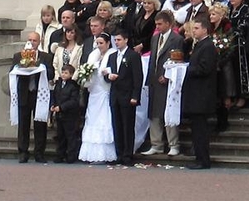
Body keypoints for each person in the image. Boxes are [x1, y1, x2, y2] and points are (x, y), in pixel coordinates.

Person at [142, 11, 184, 156]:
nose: (158, 27)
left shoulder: (177, 39)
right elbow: (153, 59)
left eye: (160, 24)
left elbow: (178, 60)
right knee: (154, 113)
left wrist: (167, 76)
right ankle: (156, 144)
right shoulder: (154, 39)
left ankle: (174, 144)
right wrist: (148, 80)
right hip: (154, 80)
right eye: (156, 24)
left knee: (168, 112)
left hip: (168, 82)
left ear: (168, 23)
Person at [11, 32, 55, 163]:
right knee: (23, 125)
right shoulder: (18, 56)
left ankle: (39, 152)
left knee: (40, 125)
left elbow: (51, 74)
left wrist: (41, 68)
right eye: (29, 40)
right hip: (24, 94)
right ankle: (23, 152)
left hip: (39, 94)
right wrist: (23, 67)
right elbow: (12, 72)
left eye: (34, 40)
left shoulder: (46, 57)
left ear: (39, 41)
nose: (32, 42)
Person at [182, 18, 218, 170]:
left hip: (202, 95)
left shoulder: (208, 46)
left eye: (196, 28)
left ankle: (203, 160)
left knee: (201, 130)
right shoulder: (198, 45)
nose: (194, 30)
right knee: (197, 129)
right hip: (196, 94)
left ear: (205, 29)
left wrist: (186, 68)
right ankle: (199, 158)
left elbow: (205, 68)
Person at [106, 30, 143, 166]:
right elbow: (107, 73)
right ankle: (119, 153)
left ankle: (128, 154)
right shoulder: (112, 56)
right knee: (117, 126)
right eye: (115, 40)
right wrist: (108, 76)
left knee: (128, 126)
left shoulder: (133, 56)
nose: (117, 42)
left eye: (119, 40)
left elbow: (138, 77)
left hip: (127, 96)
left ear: (126, 40)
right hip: (115, 95)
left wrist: (135, 96)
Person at [78, 33, 118, 163]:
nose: (99, 46)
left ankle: (105, 154)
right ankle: (92, 154)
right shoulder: (93, 55)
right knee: (92, 119)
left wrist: (106, 72)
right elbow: (87, 69)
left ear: (108, 43)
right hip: (94, 91)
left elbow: (113, 71)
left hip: (105, 90)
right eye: (97, 43)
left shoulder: (112, 54)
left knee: (104, 120)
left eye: (101, 43)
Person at [209, 3, 236, 133]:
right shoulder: (210, 28)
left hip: (224, 64)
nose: (211, 16)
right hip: (213, 65)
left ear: (221, 15)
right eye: (211, 14)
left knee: (224, 92)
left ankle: (224, 121)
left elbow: (231, 46)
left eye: (214, 14)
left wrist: (221, 60)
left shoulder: (227, 27)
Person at [51, 64, 81, 164]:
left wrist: (62, 107)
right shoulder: (58, 84)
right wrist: (53, 105)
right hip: (59, 115)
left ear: (71, 75)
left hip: (70, 115)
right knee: (60, 136)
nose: (63, 75)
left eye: (66, 73)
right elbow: (54, 95)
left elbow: (74, 101)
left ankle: (71, 156)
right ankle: (60, 155)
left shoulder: (73, 86)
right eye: (63, 72)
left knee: (70, 136)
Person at [229, 0, 249, 111]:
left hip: (241, 45)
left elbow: (244, 25)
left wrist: (233, 32)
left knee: (241, 71)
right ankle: (234, 95)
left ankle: (243, 96)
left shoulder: (245, 9)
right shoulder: (230, 9)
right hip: (231, 45)